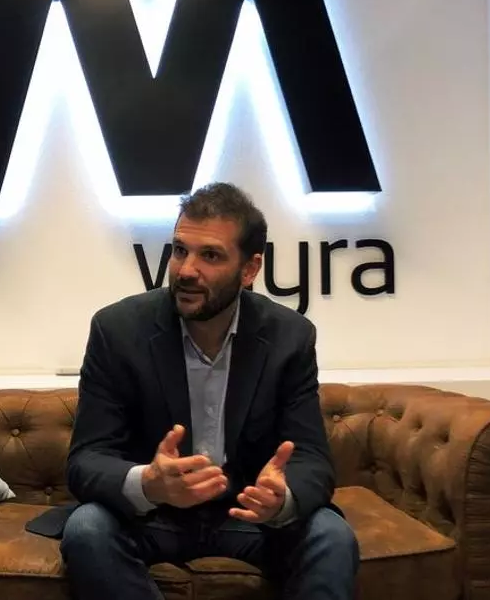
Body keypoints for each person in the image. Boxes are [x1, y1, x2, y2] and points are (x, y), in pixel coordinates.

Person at [57, 182, 359, 600]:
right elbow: (86, 458)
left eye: (210, 256)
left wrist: (281, 498)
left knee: (332, 534)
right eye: (180, 250)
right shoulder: (118, 331)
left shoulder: (289, 337)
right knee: (87, 528)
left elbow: (311, 458)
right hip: (153, 516)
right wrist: (149, 483)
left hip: (246, 517)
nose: (186, 270)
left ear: (249, 269)